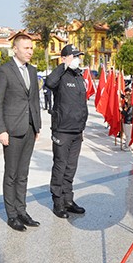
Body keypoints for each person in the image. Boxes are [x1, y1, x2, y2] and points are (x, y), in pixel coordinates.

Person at [0, 33, 42, 232]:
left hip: (29, 128)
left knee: (23, 174)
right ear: (16, 49)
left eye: (31, 48)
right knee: (11, 174)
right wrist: (1, 130)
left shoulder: (32, 71)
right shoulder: (4, 71)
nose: (30, 51)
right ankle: (11, 215)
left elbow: (35, 101)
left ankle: (22, 210)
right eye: (26, 48)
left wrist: (36, 126)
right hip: (11, 131)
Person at [44, 44, 88, 219]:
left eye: (78, 56)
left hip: (77, 130)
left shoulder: (78, 76)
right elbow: (49, 82)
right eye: (74, 56)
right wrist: (63, 65)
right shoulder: (60, 75)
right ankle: (58, 201)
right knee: (60, 166)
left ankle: (68, 200)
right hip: (62, 129)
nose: (77, 59)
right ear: (65, 58)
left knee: (71, 167)